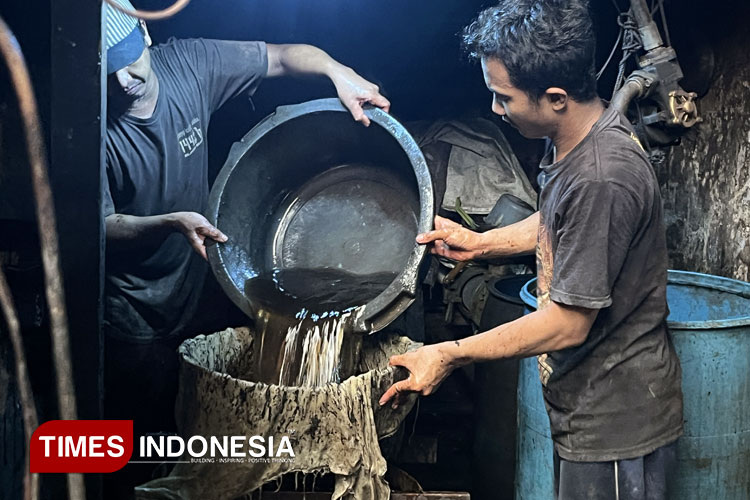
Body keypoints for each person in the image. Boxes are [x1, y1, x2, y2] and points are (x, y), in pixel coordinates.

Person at [380, 1, 683, 498]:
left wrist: (449, 354)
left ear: (556, 97)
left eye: (504, 98)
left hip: (615, 424)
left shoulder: (603, 176)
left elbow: (568, 322)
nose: (496, 110)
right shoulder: (575, 139)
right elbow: (559, 221)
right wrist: (479, 244)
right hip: (585, 404)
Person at [102, 0, 390, 495]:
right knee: (144, 444)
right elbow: (103, 224)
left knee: (213, 429)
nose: (123, 80)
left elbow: (281, 56)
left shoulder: (187, 65)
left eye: (129, 62)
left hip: (202, 281)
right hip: (135, 308)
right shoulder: (95, 127)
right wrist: (169, 222)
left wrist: (337, 73)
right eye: (107, 74)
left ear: (145, 40)